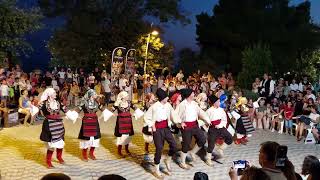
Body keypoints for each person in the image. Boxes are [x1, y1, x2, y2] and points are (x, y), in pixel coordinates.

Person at [144, 88, 180, 177]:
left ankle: (168, 159)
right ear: (162, 98)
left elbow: (173, 115)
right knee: (159, 149)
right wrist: (152, 125)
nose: (168, 98)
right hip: (157, 129)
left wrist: (179, 121)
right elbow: (146, 117)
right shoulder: (154, 107)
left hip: (166, 128)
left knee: (174, 146)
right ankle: (156, 169)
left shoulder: (168, 105)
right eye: (166, 97)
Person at [176, 88, 211, 169]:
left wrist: (207, 120)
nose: (194, 94)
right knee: (186, 144)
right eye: (192, 93)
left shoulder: (194, 103)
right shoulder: (182, 105)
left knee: (202, 139)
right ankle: (182, 162)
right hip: (186, 127)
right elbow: (176, 115)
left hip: (195, 125)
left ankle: (192, 152)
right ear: (188, 95)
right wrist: (180, 123)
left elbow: (200, 112)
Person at [39, 88, 67, 168]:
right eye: (54, 93)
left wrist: (74, 115)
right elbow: (36, 109)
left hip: (58, 124)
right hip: (49, 124)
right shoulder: (43, 103)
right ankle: (48, 162)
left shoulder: (58, 103)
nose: (56, 94)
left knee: (60, 142)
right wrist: (32, 107)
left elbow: (66, 110)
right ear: (50, 94)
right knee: (51, 144)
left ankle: (59, 157)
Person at [76, 89, 103, 161]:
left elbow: (102, 109)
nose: (96, 95)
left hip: (94, 122)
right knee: (86, 138)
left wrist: (105, 114)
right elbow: (78, 110)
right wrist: (75, 115)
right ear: (91, 95)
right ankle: (84, 155)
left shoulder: (97, 102)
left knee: (95, 138)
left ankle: (91, 153)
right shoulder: (84, 102)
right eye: (94, 94)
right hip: (86, 122)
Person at [206, 95, 233, 163]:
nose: (219, 102)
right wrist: (209, 126)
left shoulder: (221, 110)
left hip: (221, 127)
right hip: (212, 129)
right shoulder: (209, 111)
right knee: (211, 143)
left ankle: (220, 149)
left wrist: (221, 125)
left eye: (219, 101)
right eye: (217, 101)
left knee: (229, 138)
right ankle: (208, 159)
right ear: (214, 103)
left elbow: (224, 119)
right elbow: (206, 120)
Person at [113, 91, 135, 157]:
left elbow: (136, 108)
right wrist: (110, 114)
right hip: (120, 122)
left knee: (128, 136)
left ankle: (126, 149)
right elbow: (111, 110)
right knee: (120, 137)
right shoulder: (117, 103)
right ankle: (119, 151)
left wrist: (136, 114)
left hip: (128, 121)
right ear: (123, 97)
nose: (128, 97)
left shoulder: (129, 103)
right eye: (127, 96)